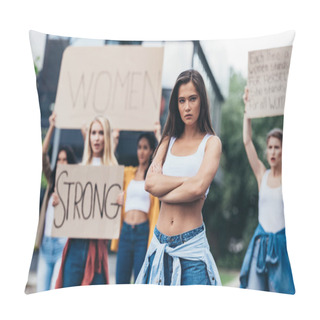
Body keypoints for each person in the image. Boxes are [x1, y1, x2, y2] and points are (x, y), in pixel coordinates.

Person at [135, 69, 222, 286]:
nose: (187, 106)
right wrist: (186, 180)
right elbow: (150, 183)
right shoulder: (167, 140)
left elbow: (198, 188)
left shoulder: (211, 143)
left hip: (191, 248)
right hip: (159, 245)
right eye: (182, 100)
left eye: (192, 99)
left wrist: (164, 192)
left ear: (202, 100)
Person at [239, 87, 295, 294]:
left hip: (281, 246)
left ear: (284, 150)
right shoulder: (261, 174)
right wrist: (248, 108)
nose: (272, 152)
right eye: (270, 147)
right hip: (260, 244)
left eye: (277, 147)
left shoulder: (290, 179)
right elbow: (247, 141)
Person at [55, 116, 118, 288]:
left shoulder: (113, 171)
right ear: (88, 136)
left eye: (101, 133)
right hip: (75, 244)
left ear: (107, 138)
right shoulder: (80, 169)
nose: (97, 137)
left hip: (96, 248)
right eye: (93, 133)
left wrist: (119, 202)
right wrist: (59, 202)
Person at [110, 127, 161, 284]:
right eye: (139, 147)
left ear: (152, 151)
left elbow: (163, 160)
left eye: (145, 148)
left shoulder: (154, 176)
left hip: (142, 233)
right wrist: (114, 141)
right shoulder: (128, 173)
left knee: (140, 282)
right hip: (125, 232)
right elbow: (111, 168)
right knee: (121, 282)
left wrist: (158, 136)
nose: (141, 152)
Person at [35, 112, 77, 291]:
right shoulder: (52, 180)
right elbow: (42, 153)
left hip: (62, 246)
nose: (61, 163)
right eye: (59, 159)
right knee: (40, 290)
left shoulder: (76, 187)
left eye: (64, 159)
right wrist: (52, 126)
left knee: (54, 290)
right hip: (46, 246)